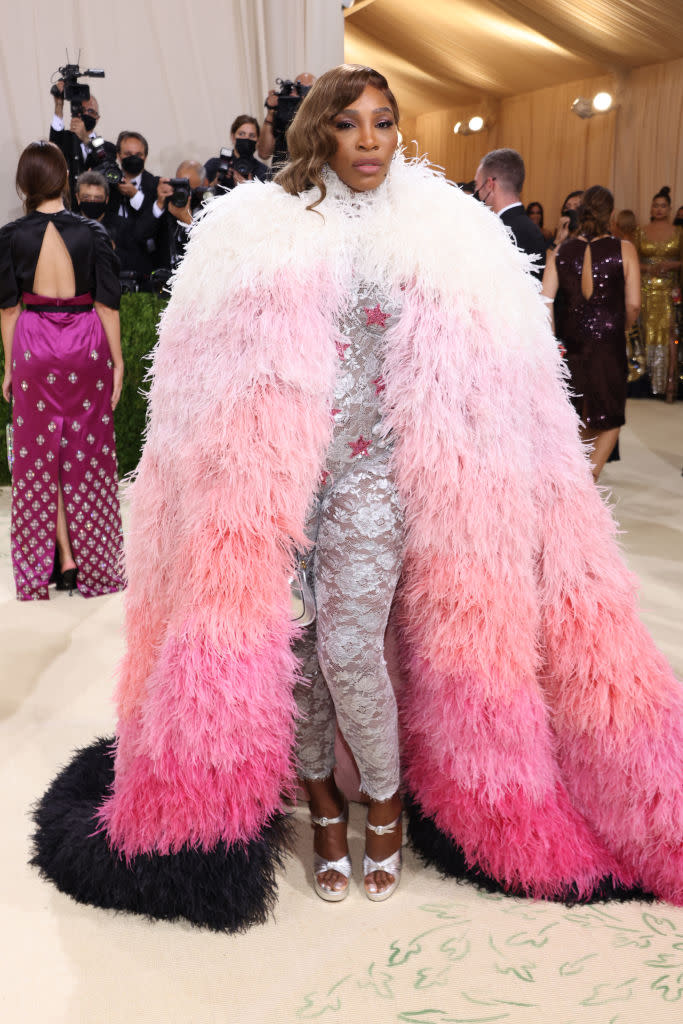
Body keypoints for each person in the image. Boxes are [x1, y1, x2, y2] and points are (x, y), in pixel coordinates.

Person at [32, 67, 683, 932]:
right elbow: (198, 375)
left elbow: (505, 367)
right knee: (291, 656)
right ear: (319, 134)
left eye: (384, 122)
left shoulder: (446, 230)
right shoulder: (254, 230)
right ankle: (321, 810)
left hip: (377, 484)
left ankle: (382, 802)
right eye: (349, 124)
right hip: (276, 485)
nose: (370, 139)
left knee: (347, 646)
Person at [0, 141, 125, 600]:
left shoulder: (10, 236)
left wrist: (11, 366)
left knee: (37, 460)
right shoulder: (92, 233)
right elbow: (107, 306)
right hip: (85, 344)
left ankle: (53, 563)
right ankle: (97, 567)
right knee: (87, 454)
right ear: (64, 180)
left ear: (24, 184)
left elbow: (8, 311)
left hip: (33, 345)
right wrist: (118, 361)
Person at [541, 186, 641, 480]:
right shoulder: (625, 249)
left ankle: (577, 477)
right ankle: (587, 480)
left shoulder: (561, 250)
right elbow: (633, 303)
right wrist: (620, 328)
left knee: (578, 413)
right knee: (610, 417)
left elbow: (545, 300)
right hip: (608, 344)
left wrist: (554, 341)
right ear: (610, 214)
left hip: (570, 345)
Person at [636, 186, 683, 400]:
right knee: (646, 332)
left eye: (663, 206)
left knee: (668, 335)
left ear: (669, 208)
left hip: (669, 292)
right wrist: (648, 268)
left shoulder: (679, 232)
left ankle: (666, 384)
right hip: (645, 290)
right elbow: (632, 262)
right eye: (655, 205)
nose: (659, 209)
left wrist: (671, 265)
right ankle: (644, 384)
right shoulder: (641, 231)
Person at [473, 149, 546, 278]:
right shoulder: (530, 228)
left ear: (490, 185)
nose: (476, 192)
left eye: (477, 185)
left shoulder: (502, 231)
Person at [49, 81, 116, 207]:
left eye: (91, 111)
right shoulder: (66, 139)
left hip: (96, 210)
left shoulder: (107, 147)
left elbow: (107, 163)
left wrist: (85, 138)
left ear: (97, 117)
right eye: (82, 110)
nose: (86, 114)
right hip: (67, 209)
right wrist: (59, 105)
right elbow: (54, 142)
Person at [143, 160, 209, 271]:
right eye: (181, 185)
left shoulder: (211, 210)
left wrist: (189, 222)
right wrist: (159, 205)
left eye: (190, 189)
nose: (185, 194)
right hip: (164, 277)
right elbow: (140, 235)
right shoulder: (165, 202)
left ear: (204, 185)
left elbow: (211, 251)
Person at [614, 209, 646, 386]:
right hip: (636, 289)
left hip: (626, 290)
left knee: (629, 333)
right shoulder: (634, 243)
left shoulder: (622, 245)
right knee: (635, 333)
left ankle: (629, 374)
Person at [257, 72, 315, 169]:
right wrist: (270, 112)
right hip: (280, 175)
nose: (303, 94)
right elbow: (264, 153)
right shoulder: (283, 111)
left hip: (310, 178)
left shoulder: (322, 115)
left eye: (308, 90)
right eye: (298, 89)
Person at [204, 116, 269, 187]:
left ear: (258, 140)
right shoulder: (215, 165)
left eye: (252, 135)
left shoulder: (264, 172)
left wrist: (250, 190)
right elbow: (197, 195)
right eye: (241, 134)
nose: (246, 138)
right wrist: (216, 182)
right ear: (233, 137)